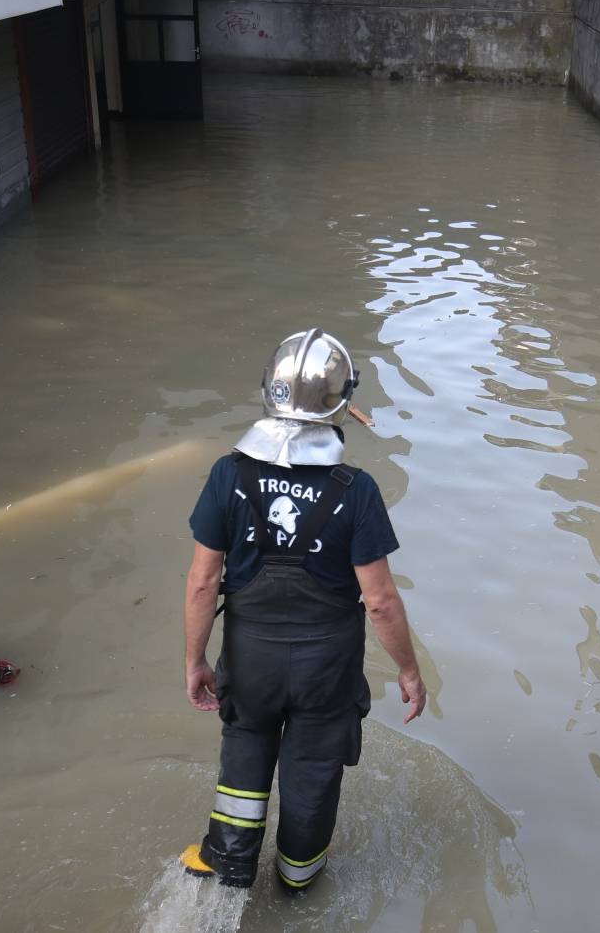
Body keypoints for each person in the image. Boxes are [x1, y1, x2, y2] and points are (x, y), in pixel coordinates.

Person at [180, 329, 427, 892]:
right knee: (314, 768)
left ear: (269, 391)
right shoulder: (355, 489)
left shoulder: (228, 474)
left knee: (245, 744)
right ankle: (297, 879)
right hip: (326, 668)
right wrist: (411, 672)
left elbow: (202, 583)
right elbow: (381, 601)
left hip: (250, 660)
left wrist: (196, 660)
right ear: (342, 405)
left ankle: (231, 860)